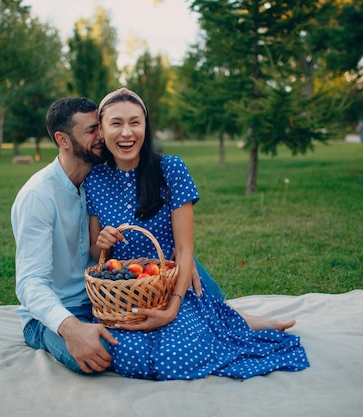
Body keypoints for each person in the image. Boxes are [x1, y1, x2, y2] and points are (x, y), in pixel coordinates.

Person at [85, 88, 309, 380]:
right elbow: (95, 252)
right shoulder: (95, 179)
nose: (126, 133)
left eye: (135, 122)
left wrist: (171, 310)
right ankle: (234, 320)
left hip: (173, 288)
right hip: (124, 299)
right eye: (116, 123)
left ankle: (231, 322)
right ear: (101, 130)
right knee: (127, 357)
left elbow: (186, 248)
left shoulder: (171, 169)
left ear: (146, 126)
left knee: (177, 357)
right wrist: (101, 242)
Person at [11, 97, 118, 375]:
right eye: (92, 130)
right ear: (63, 140)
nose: (102, 136)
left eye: (101, 127)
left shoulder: (102, 180)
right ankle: (46, 336)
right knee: (100, 355)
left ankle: (228, 318)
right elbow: (30, 281)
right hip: (55, 314)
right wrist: (70, 328)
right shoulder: (38, 195)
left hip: (102, 298)